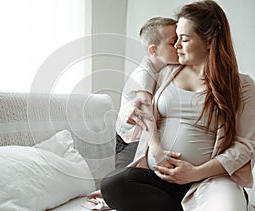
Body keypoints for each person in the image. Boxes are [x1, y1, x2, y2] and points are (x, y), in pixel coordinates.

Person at [100, 1, 255, 210]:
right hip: (159, 177)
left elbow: (245, 146)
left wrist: (194, 173)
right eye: (175, 40)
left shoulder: (241, 85)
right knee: (114, 184)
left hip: (208, 179)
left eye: (184, 39)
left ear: (209, 41)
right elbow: (147, 61)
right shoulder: (164, 73)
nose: (177, 46)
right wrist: (129, 115)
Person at [115, 16, 179, 168]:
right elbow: (146, 115)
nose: (179, 46)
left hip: (141, 137)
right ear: (153, 50)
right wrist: (157, 150)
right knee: (125, 178)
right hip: (128, 142)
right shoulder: (143, 74)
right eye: (173, 42)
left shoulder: (166, 69)